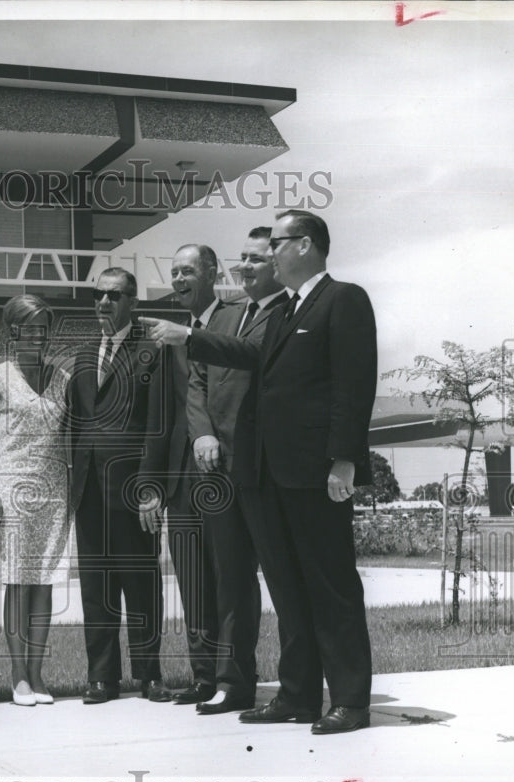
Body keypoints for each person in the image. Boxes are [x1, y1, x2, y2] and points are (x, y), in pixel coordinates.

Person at [141, 209, 377, 734]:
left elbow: (354, 384)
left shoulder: (343, 299)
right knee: (289, 591)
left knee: (331, 586)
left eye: (277, 243)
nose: (270, 253)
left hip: (316, 474)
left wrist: (344, 460)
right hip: (272, 475)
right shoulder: (288, 309)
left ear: (306, 245)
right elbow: (249, 353)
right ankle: (297, 695)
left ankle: (350, 701)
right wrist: (192, 338)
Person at [185, 227, 290, 714]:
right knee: (230, 579)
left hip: (264, 469)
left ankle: (296, 685)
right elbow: (197, 382)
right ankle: (233, 682)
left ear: (277, 264)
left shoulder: (287, 314)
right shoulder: (226, 316)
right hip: (219, 470)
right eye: (241, 257)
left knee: (283, 580)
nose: (244, 266)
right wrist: (202, 433)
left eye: (255, 258)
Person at [68, 267, 172, 704]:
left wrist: (150, 487)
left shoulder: (152, 351)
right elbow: (76, 421)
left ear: (133, 302)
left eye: (113, 295)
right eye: (98, 295)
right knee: (96, 588)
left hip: (133, 491)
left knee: (141, 583)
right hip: (89, 490)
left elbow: (158, 424)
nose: (104, 303)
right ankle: (102, 678)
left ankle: (149, 675)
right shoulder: (83, 354)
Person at [137, 244, 221, 710]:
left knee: (230, 579)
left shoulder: (233, 323)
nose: (179, 279)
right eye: (174, 272)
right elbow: (160, 419)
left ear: (212, 272)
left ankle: (235, 675)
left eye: (188, 270)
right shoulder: (168, 341)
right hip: (181, 480)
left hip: (225, 474)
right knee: (192, 580)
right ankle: (204, 677)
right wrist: (151, 486)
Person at [0, 295, 70, 707]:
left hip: (52, 490)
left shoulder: (62, 378)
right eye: (29, 328)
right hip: (11, 489)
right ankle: (18, 675)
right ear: (13, 331)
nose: (37, 336)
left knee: (44, 582)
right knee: (17, 582)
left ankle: (37, 672)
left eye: (42, 328)